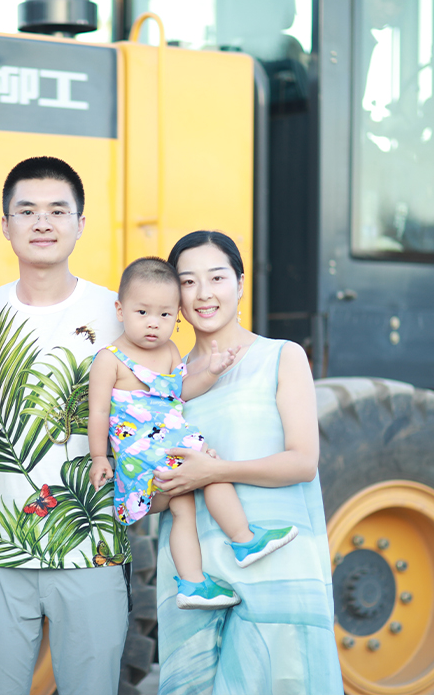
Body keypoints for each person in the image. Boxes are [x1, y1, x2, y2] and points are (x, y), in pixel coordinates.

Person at [0, 156, 130, 695]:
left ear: (80, 224)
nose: (42, 223)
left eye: (58, 211)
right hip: (0, 545)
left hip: (93, 544)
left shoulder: (118, 312)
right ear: (5, 225)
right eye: (27, 210)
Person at [151, 231, 343, 694]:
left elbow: (303, 462)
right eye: (188, 282)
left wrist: (215, 472)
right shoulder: (165, 384)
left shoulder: (281, 356)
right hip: (194, 575)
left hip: (276, 566)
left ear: (240, 283)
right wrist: (162, 484)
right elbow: (151, 497)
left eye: (217, 278)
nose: (203, 293)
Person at [88, 256, 298, 611]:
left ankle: (193, 582)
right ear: (120, 310)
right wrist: (98, 457)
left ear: (177, 317)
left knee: (184, 506)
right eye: (142, 312)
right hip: (145, 454)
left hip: (170, 445)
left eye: (165, 315)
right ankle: (244, 539)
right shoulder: (110, 359)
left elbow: (181, 392)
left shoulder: (170, 351)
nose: (153, 323)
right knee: (210, 472)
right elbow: (98, 413)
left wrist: (212, 372)